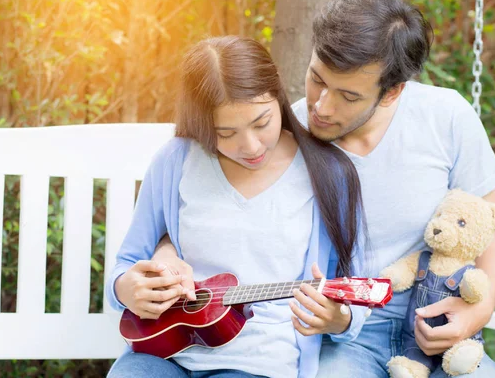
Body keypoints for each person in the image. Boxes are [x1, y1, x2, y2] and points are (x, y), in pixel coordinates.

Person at [154, 0, 495, 378]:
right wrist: (167, 250)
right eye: (316, 79)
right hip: (341, 337)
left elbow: (491, 235)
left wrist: (479, 309)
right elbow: (224, 217)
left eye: (348, 96)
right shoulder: (280, 138)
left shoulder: (446, 117)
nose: (321, 106)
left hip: (439, 321)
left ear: (391, 92)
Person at [105, 35, 368, 378]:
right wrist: (126, 288)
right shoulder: (176, 160)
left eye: (262, 123)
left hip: (259, 362)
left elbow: (357, 286)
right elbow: (127, 263)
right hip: (163, 352)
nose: (251, 146)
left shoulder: (329, 173)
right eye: (225, 133)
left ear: (278, 95)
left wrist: (340, 319)